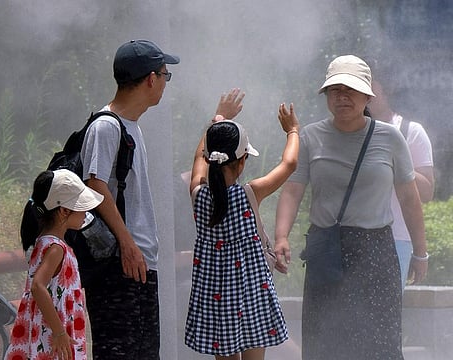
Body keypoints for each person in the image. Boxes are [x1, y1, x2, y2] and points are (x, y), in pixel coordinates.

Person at [274, 55, 428, 359]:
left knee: (378, 344)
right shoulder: (311, 137)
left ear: (368, 95)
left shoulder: (390, 138)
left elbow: (410, 199)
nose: (342, 97)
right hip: (326, 249)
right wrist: (281, 237)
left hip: (375, 251)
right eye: (335, 90)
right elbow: (292, 190)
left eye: (350, 90)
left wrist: (420, 253)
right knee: (323, 343)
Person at [80, 39, 179, 359]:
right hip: (118, 264)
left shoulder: (130, 127)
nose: (165, 83)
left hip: (137, 263)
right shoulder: (107, 126)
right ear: (152, 78)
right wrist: (128, 244)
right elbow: (94, 186)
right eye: (165, 75)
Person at [185, 88, 300, 360]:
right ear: (242, 162)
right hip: (251, 292)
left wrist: (218, 119)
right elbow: (290, 162)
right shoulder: (250, 193)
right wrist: (292, 130)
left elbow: (197, 159)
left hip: (213, 294)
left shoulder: (197, 193)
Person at [5, 169, 104, 360]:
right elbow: (38, 286)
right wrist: (59, 333)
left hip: (46, 330)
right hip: (52, 335)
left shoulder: (43, 242)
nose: (86, 212)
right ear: (64, 211)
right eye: (81, 206)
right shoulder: (56, 248)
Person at [368, 74, 434, 291]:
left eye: (370, 85)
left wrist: (394, 162)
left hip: (397, 240)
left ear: (387, 88)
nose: (364, 93)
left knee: (387, 316)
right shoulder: (349, 133)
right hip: (352, 237)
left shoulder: (410, 131)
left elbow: (426, 192)